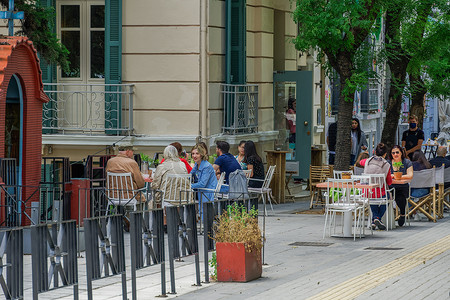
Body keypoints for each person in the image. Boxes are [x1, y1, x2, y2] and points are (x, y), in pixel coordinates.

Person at [358, 143, 392, 230]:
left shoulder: (367, 161)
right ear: (385, 154)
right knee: (388, 198)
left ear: (374, 152)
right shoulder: (386, 165)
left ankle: (374, 221)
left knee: (372, 198)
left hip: (366, 192)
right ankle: (377, 218)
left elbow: (360, 162)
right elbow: (389, 182)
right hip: (380, 193)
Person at [388, 145, 413, 227]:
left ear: (401, 153)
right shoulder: (388, 163)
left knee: (400, 197)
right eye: (393, 153)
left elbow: (410, 175)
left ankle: (402, 214)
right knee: (386, 194)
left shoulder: (407, 162)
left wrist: (396, 176)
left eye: (397, 152)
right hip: (390, 186)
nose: (395, 154)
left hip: (402, 186)